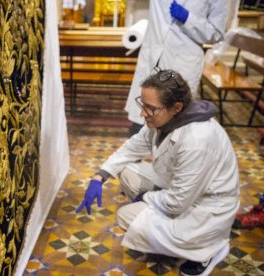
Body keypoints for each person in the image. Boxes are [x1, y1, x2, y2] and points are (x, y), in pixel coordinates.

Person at [76, 69, 240, 276]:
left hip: (206, 209)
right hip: (184, 192)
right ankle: (165, 236)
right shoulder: (166, 119)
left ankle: (206, 251)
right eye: (142, 105)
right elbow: (131, 148)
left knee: (127, 216)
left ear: (177, 107)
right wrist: (99, 177)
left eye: (150, 108)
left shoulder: (197, 140)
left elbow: (178, 201)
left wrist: (145, 197)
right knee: (126, 172)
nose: (143, 113)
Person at [125, 0, 232, 136]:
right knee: (141, 117)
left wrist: (188, 18)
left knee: (174, 122)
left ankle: (168, 154)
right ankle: (135, 153)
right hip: (153, 56)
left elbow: (216, 34)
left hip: (183, 60)